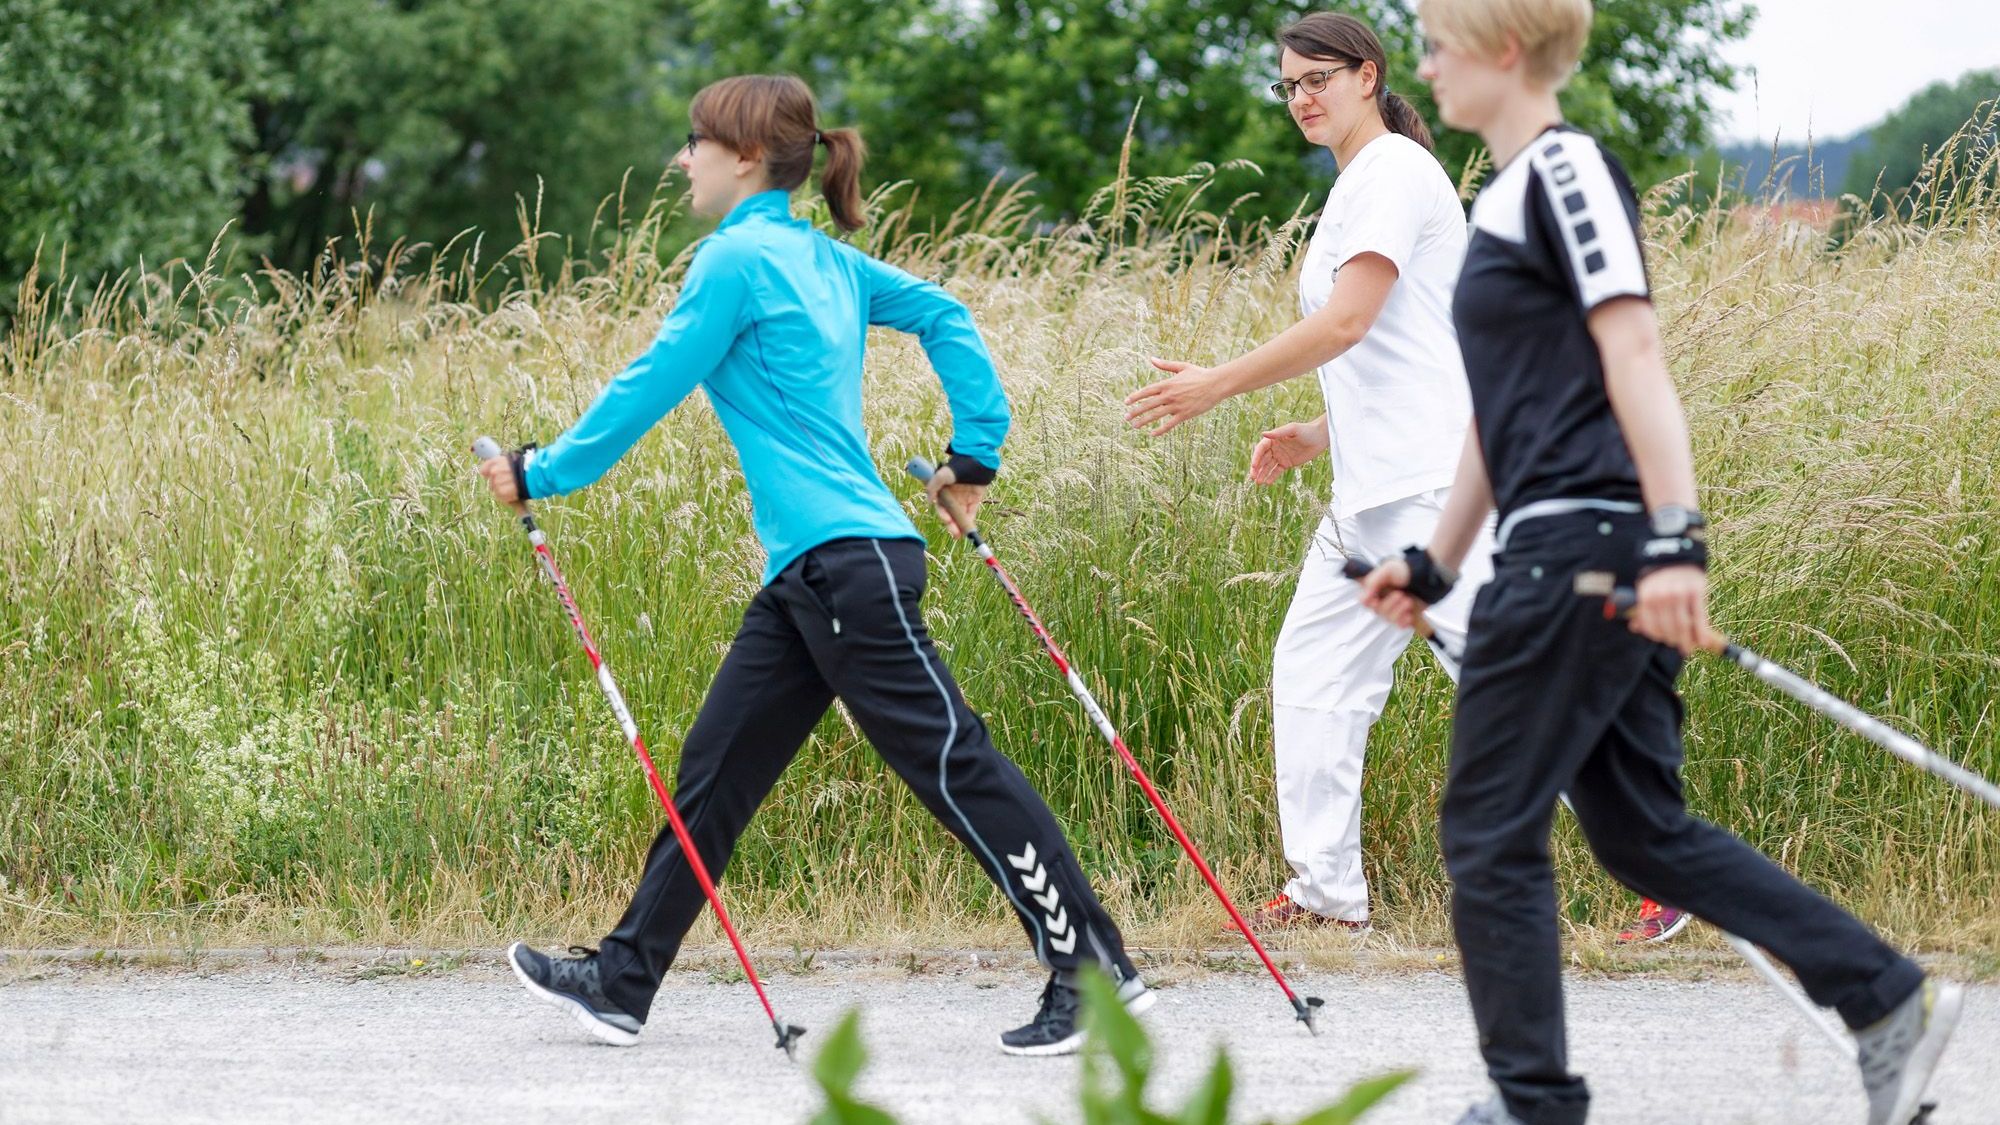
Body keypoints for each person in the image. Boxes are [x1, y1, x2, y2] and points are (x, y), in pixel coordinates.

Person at [1357, 2, 1962, 1121]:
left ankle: (1530, 1102)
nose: (1424, 68)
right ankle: (1885, 1000)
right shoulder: (1493, 202)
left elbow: (1630, 343)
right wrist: (1433, 564)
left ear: (1500, 48)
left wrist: (1675, 540)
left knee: (1485, 834)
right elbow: (1499, 419)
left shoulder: (1565, 168)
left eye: (1435, 45)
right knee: (1639, 834)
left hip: (1584, 551)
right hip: (1556, 545)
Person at [477, 74, 1152, 1057]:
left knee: (955, 767)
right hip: (814, 574)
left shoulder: (734, 263)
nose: (682, 160)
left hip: (849, 569)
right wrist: (974, 452)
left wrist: (542, 469)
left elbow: (648, 384)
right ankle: (621, 983)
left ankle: (1094, 969)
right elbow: (946, 316)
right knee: (710, 778)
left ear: (744, 156)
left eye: (694, 143)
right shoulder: (823, 262)